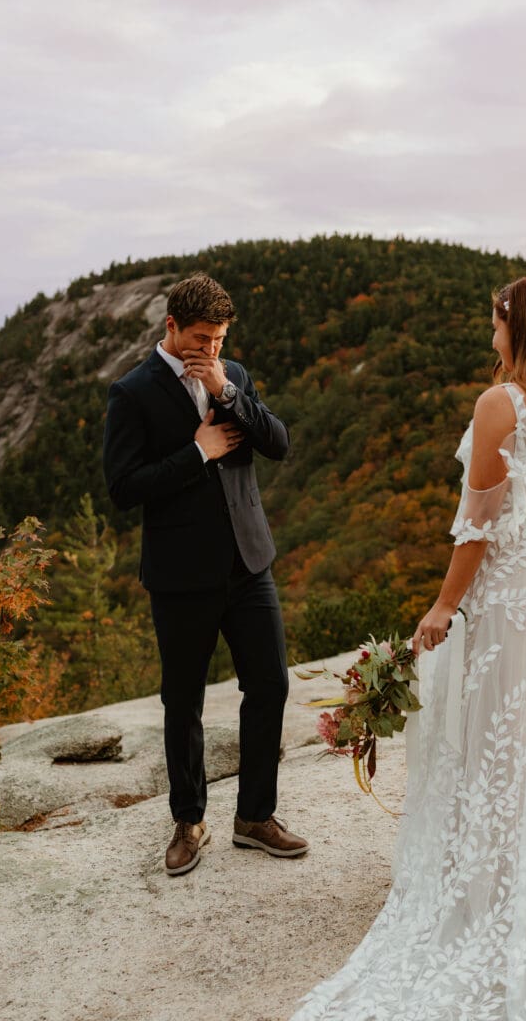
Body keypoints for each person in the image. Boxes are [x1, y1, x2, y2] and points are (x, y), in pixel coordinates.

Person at [291, 274, 526, 1019]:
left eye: (496, 323)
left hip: (511, 600)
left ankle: (506, 894)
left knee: (501, 740)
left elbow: (476, 522)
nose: (491, 337)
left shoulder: (501, 404)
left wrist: (444, 605)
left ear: (518, 326)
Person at [103, 272, 308, 876]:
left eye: (219, 338)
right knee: (182, 701)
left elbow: (279, 444)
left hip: (250, 563)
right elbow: (123, 488)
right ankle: (189, 822)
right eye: (201, 338)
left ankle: (255, 817)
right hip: (179, 573)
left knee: (269, 685)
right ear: (171, 328)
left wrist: (227, 390)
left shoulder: (233, 374)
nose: (211, 348)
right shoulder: (132, 392)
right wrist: (197, 452)